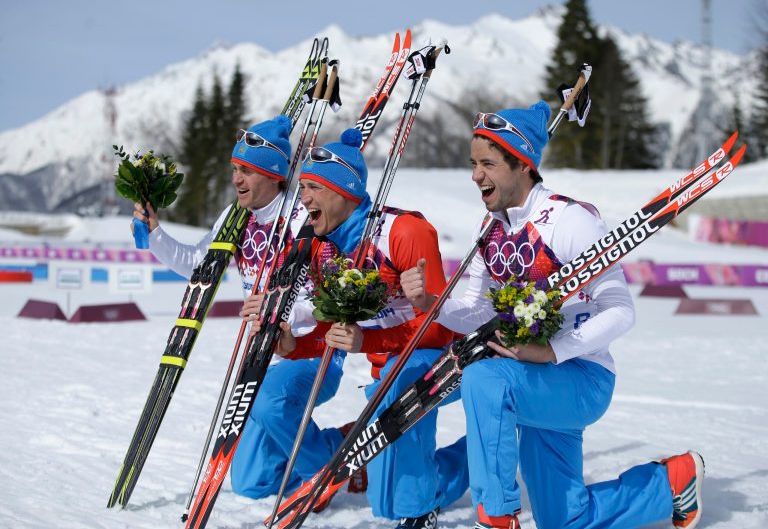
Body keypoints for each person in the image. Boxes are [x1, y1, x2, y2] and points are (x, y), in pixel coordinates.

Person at [399, 102, 705, 529]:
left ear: (522, 165)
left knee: (484, 378)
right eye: (473, 163)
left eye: (487, 163)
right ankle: (670, 483)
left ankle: (497, 513)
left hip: (580, 376)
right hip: (532, 379)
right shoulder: (487, 231)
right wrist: (431, 303)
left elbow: (620, 310)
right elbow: (476, 312)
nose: (475, 175)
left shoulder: (568, 221)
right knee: (565, 519)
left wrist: (552, 351)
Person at [131, 115, 346, 503]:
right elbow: (201, 264)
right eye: (234, 169)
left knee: (272, 403)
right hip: (262, 352)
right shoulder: (234, 218)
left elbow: (327, 296)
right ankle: (337, 450)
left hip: (312, 349)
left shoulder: (303, 216)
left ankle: (326, 472)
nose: (237, 179)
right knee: (249, 483)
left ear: (273, 174)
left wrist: (279, 307)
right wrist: (156, 234)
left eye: (246, 170)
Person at [273, 127, 468, 529]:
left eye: (312, 188)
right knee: (385, 484)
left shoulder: (403, 231)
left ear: (343, 191)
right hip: (389, 370)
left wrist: (369, 340)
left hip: (447, 358)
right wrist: (292, 345)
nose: (302, 198)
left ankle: (422, 508)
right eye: (302, 187)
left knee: (397, 398)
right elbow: (331, 331)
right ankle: (462, 465)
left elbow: (438, 326)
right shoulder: (322, 248)